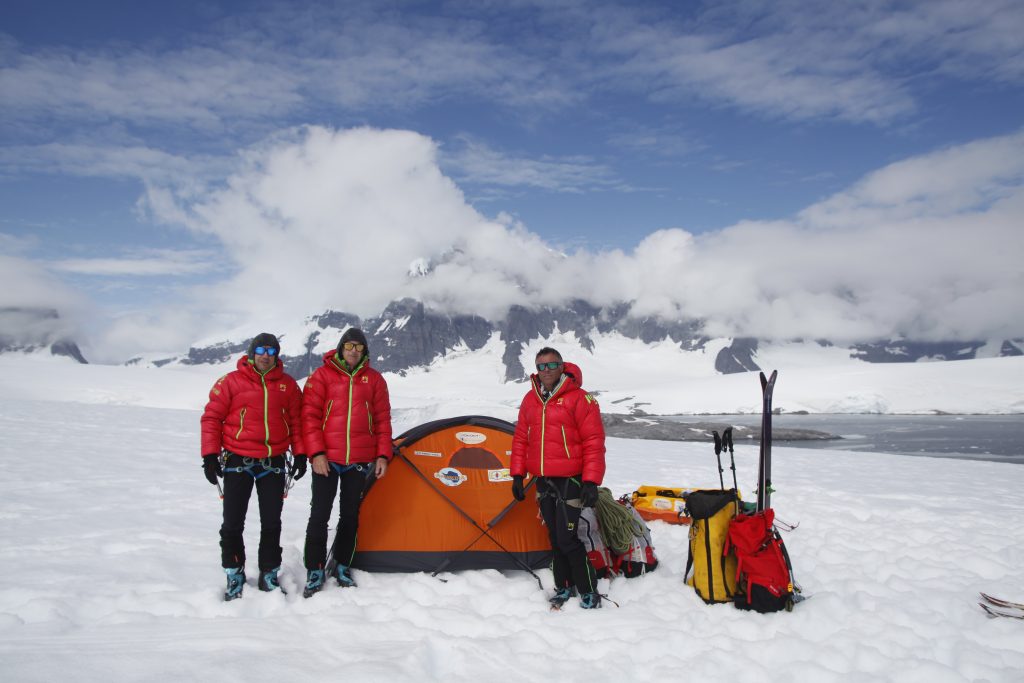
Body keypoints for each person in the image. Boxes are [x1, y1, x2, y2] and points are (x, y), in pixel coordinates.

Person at [200, 332, 306, 601]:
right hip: (238, 460)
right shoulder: (231, 382)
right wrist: (210, 455)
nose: (265, 355)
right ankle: (234, 572)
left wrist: (301, 454)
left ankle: (269, 573)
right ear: (251, 352)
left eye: (271, 351)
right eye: (261, 350)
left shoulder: (288, 385)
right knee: (232, 523)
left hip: (273, 462)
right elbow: (212, 418)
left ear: (277, 355)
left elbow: (296, 423)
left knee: (272, 523)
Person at [510, 347, 607, 609]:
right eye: (541, 366)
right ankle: (564, 588)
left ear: (562, 366)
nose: (546, 371)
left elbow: (593, 442)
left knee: (567, 539)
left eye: (552, 365)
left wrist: (591, 481)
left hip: (571, 480)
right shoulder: (531, 400)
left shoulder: (580, 399)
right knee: (555, 537)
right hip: (544, 481)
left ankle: (588, 590)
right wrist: (517, 475)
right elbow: (521, 439)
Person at [300, 328, 392, 597]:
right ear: (341, 348)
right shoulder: (321, 376)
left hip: (360, 460)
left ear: (365, 352)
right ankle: (315, 569)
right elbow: (310, 418)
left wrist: (383, 455)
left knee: (350, 517)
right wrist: (316, 453)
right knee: (319, 516)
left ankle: (342, 564)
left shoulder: (375, 380)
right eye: (350, 345)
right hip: (326, 460)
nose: (354, 350)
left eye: (359, 347)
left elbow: (383, 420)